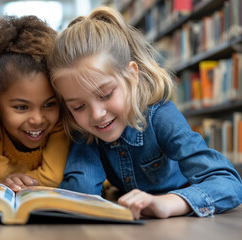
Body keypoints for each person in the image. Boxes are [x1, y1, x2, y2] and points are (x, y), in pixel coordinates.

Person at [47, 6, 242, 219]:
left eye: (106, 95)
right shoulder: (83, 128)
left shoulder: (161, 116)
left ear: (132, 75)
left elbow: (228, 183)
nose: (96, 114)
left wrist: (169, 202)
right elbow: (81, 191)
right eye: (78, 106)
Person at [0, 15, 70, 192]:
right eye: (21, 107)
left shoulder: (58, 126)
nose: (37, 119)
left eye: (49, 104)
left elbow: (52, 178)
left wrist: (8, 181)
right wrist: (1, 179)